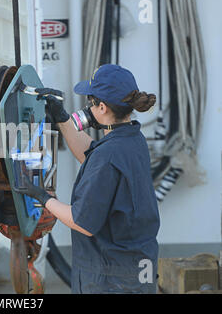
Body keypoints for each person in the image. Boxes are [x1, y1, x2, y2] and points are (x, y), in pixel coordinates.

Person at [13, 64, 160, 294]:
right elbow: (89, 154)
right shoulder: (132, 139)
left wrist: (41, 196)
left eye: (91, 103)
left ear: (102, 107)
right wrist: (63, 119)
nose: (88, 108)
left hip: (111, 279)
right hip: (135, 270)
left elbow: (82, 221)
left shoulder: (109, 155)